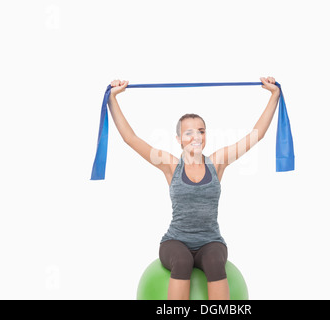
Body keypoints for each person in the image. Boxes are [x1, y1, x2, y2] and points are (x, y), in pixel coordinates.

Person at [107, 77, 281, 300]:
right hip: (175, 241)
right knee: (182, 261)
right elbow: (130, 138)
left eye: (201, 131)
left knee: (215, 262)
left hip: (211, 241)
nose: (196, 137)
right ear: (179, 138)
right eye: (189, 132)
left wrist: (273, 95)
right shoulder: (170, 165)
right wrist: (113, 99)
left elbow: (256, 135)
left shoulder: (217, 162)